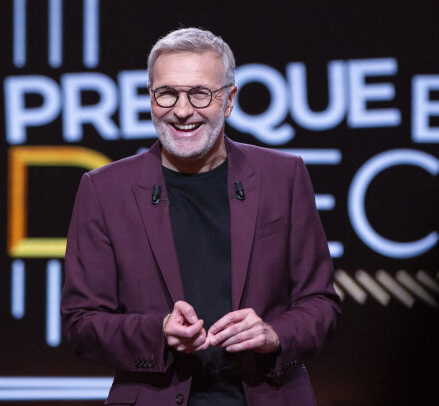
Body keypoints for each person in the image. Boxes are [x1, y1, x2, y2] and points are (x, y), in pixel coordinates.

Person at [61, 27, 341, 406]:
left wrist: (273, 334)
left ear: (228, 100)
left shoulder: (283, 177)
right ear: (150, 98)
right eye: (167, 93)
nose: (181, 110)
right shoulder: (105, 189)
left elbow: (320, 302)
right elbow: (81, 322)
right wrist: (158, 331)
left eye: (200, 93)